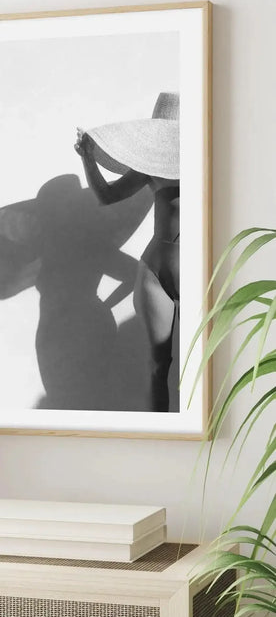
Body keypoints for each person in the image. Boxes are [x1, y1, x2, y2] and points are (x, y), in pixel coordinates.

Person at [74, 92, 180, 412]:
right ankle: (163, 439)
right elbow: (106, 195)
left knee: (202, 362)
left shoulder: (208, 161)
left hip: (198, 265)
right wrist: (87, 158)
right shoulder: (150, 168)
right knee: (158, 367)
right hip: (154, 270)